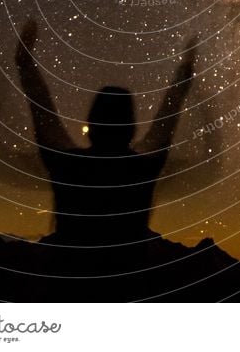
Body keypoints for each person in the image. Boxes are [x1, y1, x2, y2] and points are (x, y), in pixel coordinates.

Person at [14, 19, 197, 253]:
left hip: (67, 273)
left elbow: (41, 109)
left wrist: (24, 61)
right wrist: (185, 71)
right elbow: (168, 117)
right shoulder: (142, 169)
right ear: (132, 127)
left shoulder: (67, 166)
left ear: (90, 123)